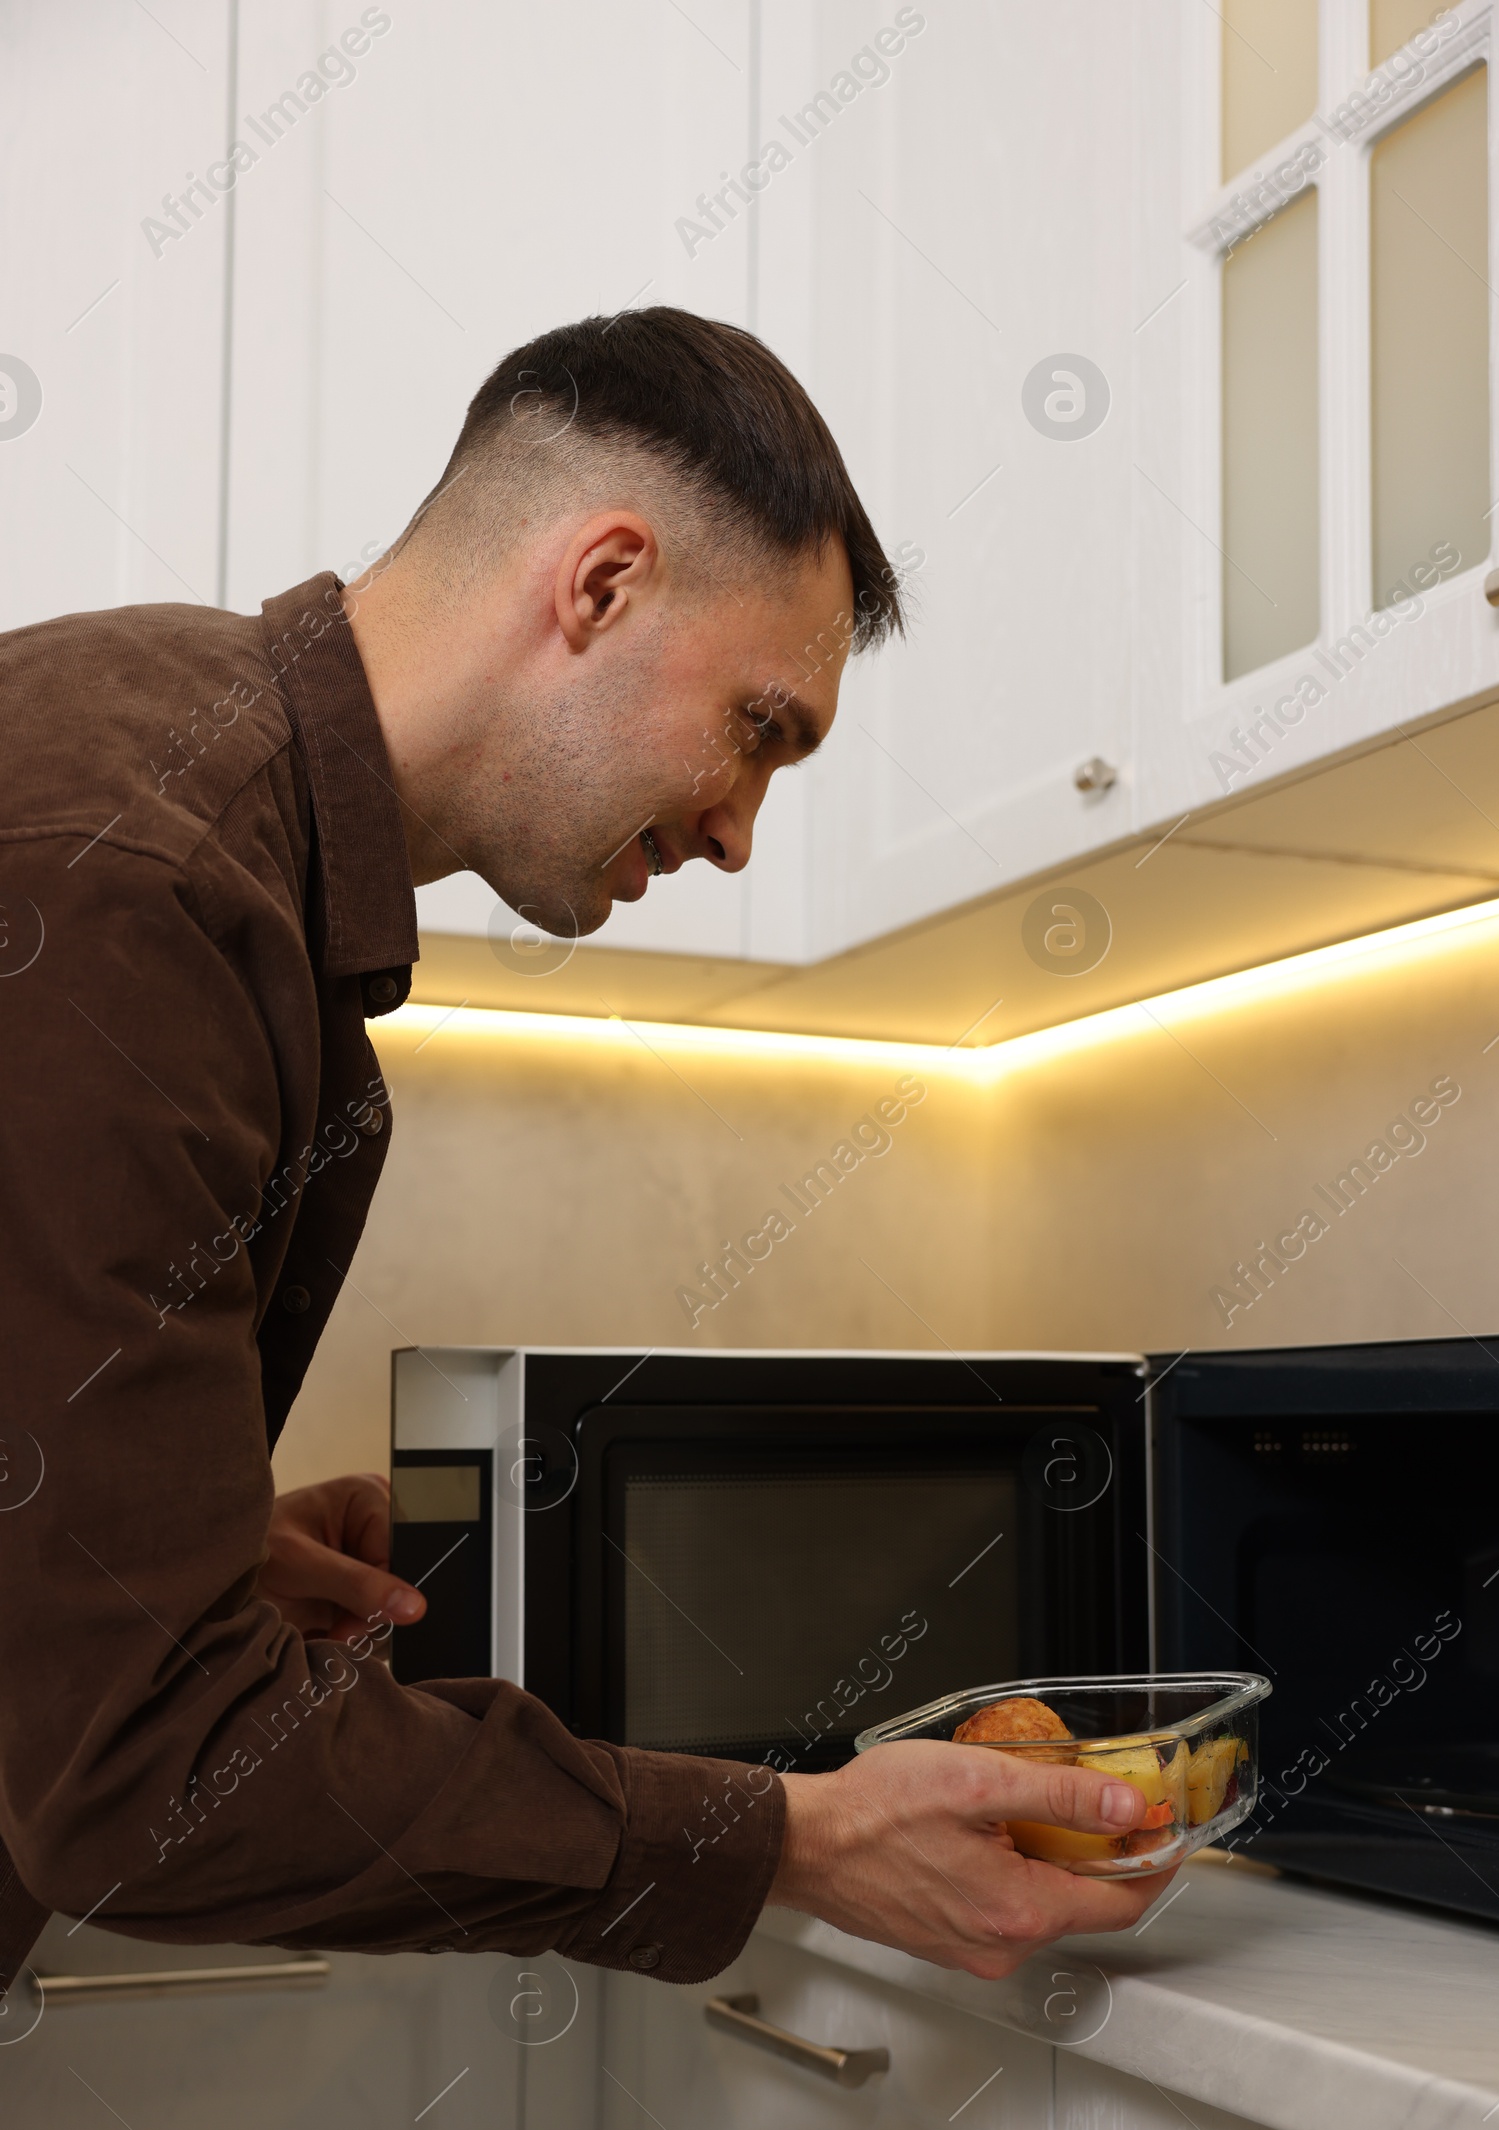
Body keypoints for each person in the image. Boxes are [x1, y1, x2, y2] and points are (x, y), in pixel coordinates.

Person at [0, 307, 1168, 2015]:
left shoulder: (166, 768)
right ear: (602, 585)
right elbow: (150, 1780)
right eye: (760, 728)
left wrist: (170, 1544)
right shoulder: (142, 883)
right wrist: (790, 1840)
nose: (737, 829)